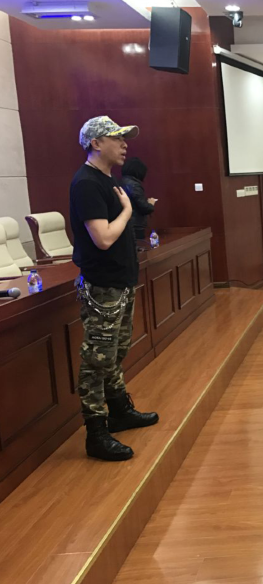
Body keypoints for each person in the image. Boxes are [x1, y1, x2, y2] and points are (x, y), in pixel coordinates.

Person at [70, 116, 159, 462]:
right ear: (95, 143)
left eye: (125, 138)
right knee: (97, 359)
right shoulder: (86, 183)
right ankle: (96, 432)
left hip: (120, 281)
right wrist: (127, 210)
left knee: (115, 352)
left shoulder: (109, 181)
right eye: (116, 138)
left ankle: (119, 410)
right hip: (102, 286)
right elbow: (104, 238)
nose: (124, 144)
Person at [120, 157, 157, 240]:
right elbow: (145, 207)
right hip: (136, 225)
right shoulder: (134, 185)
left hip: (125, 223)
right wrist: (151, 203)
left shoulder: (121, 181)